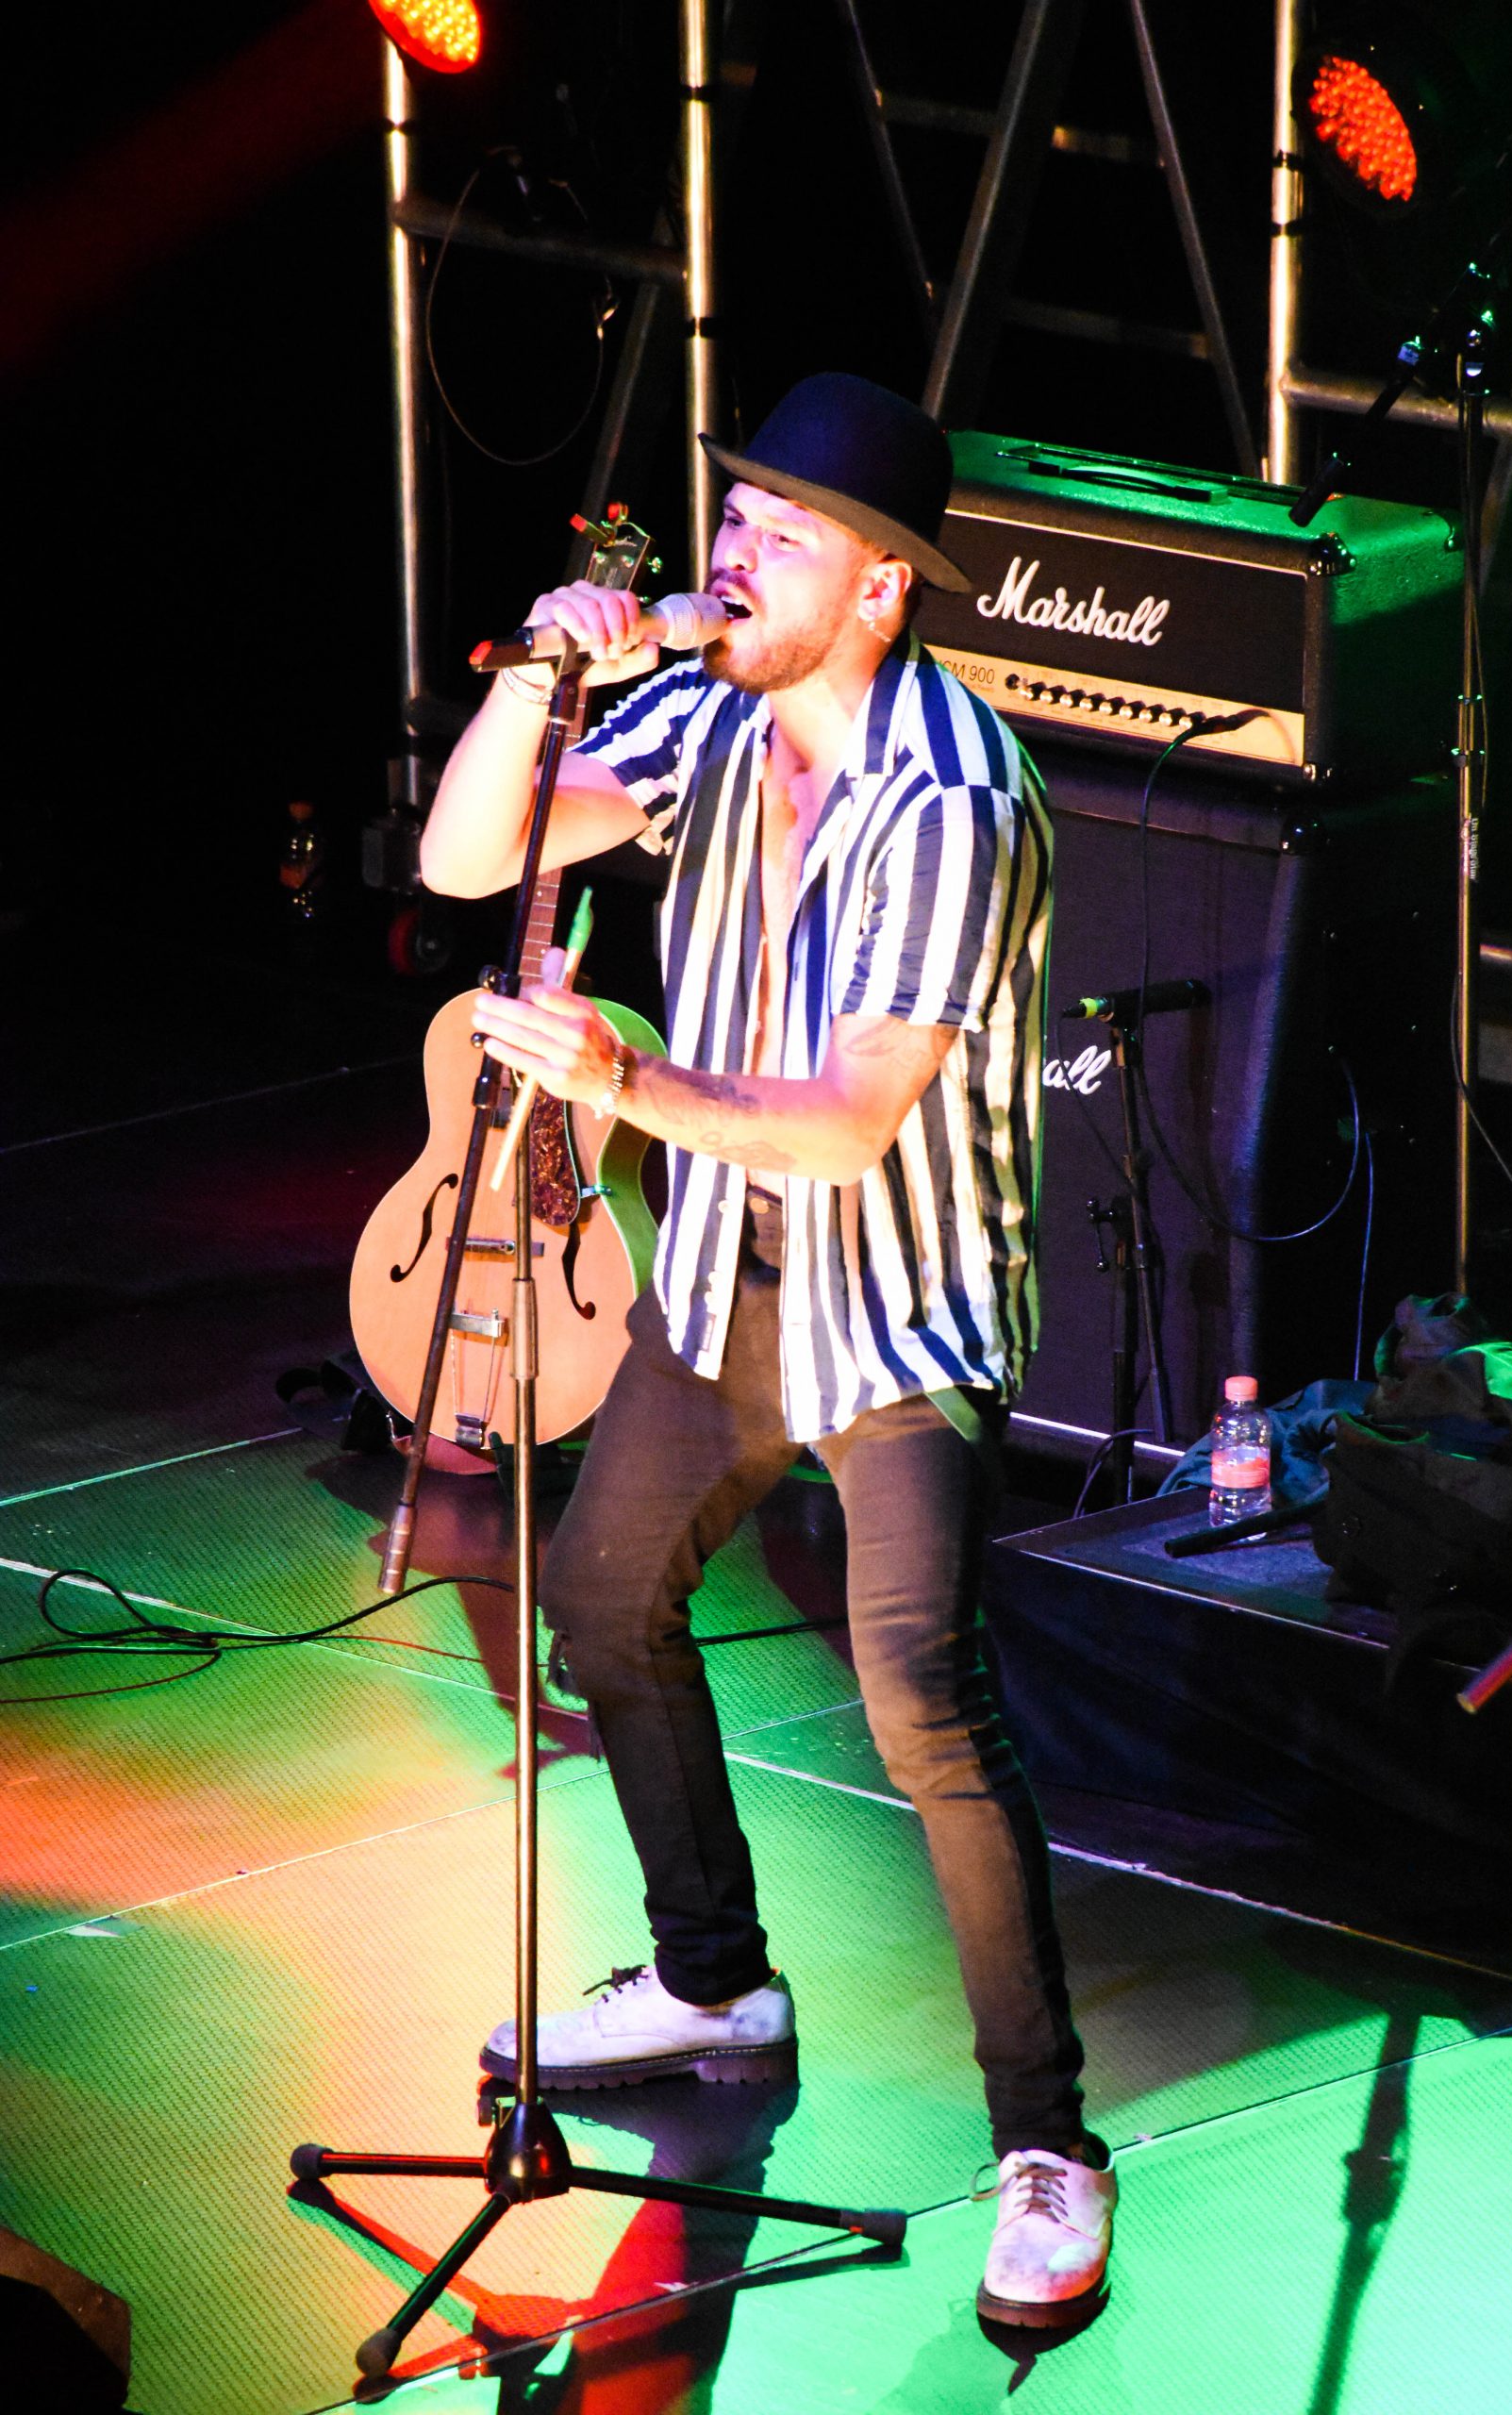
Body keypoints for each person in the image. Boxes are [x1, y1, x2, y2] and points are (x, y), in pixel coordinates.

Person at [421, 372, 1116, 2325]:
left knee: (918, 1695)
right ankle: (711, 1979)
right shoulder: (712, 712)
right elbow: (468, 859)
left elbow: (850, 1121)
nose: (729, 558)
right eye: (730, 517)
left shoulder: (955, 798)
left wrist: (623, 1082)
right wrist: (541, 678)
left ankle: (1048, 2143)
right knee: (598, 1590)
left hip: (897, 1290)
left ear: (880, 587)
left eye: (776, 536)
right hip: (729, 1264)